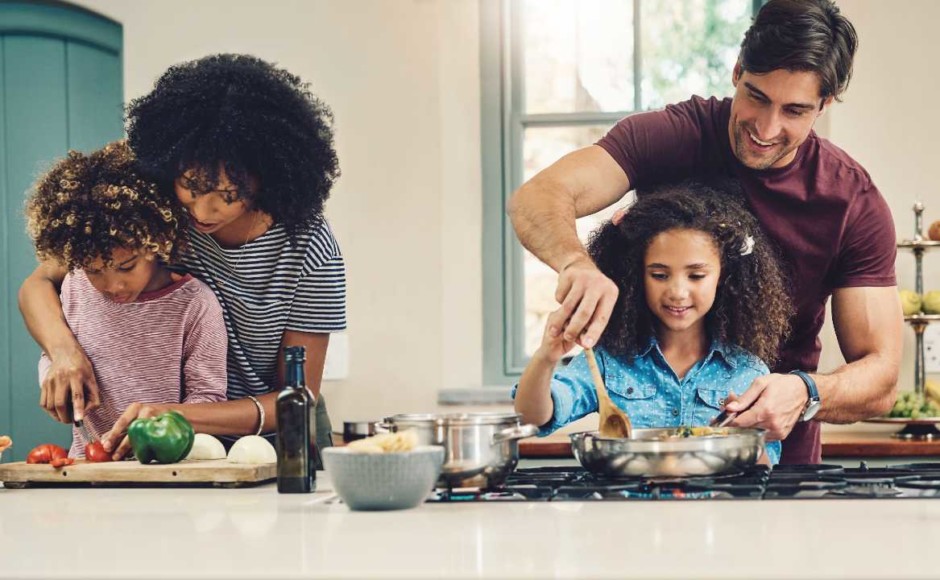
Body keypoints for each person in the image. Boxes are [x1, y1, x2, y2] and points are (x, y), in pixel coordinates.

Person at [507, 0, 901, 464]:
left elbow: (882, 378)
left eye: (794, 110)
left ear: (824, 104)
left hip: (778, 468)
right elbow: (536, 198)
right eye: (756, 96)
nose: (766, 127)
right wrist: (577, 264)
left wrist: (805, 392)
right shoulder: (670, 136)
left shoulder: (851, 202)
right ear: (736, 72)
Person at [19, 54, 346, 463]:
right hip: (173, 443)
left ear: (269, 176)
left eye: (229, 195)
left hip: (275, 444)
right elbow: (38, 284)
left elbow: (298, 396)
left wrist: (181, 414)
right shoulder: (158, 213)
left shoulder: (310, 247)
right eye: (192, 186)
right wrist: (63, 353)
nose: (203, 212)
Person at [514, 183, 789, 464]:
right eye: (659, 275)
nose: (677, 292)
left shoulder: (747, 372)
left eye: (696, 276)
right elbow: (533, 417)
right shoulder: (608, 361)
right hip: (627, 506)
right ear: (635, 277)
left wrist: (743, 438)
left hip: (715, 507)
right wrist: (546, 357)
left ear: (724, 278)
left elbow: (764, 468)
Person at [24, 141, 228, 458]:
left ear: (158, 241)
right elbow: (52, 359)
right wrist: (58, 382)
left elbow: (209, 398)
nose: (113, 285)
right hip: (88, 471)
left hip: (166, 473)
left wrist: (164, 419)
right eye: (94, 271)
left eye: (127, 266)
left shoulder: (195, 305)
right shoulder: (74, 288)